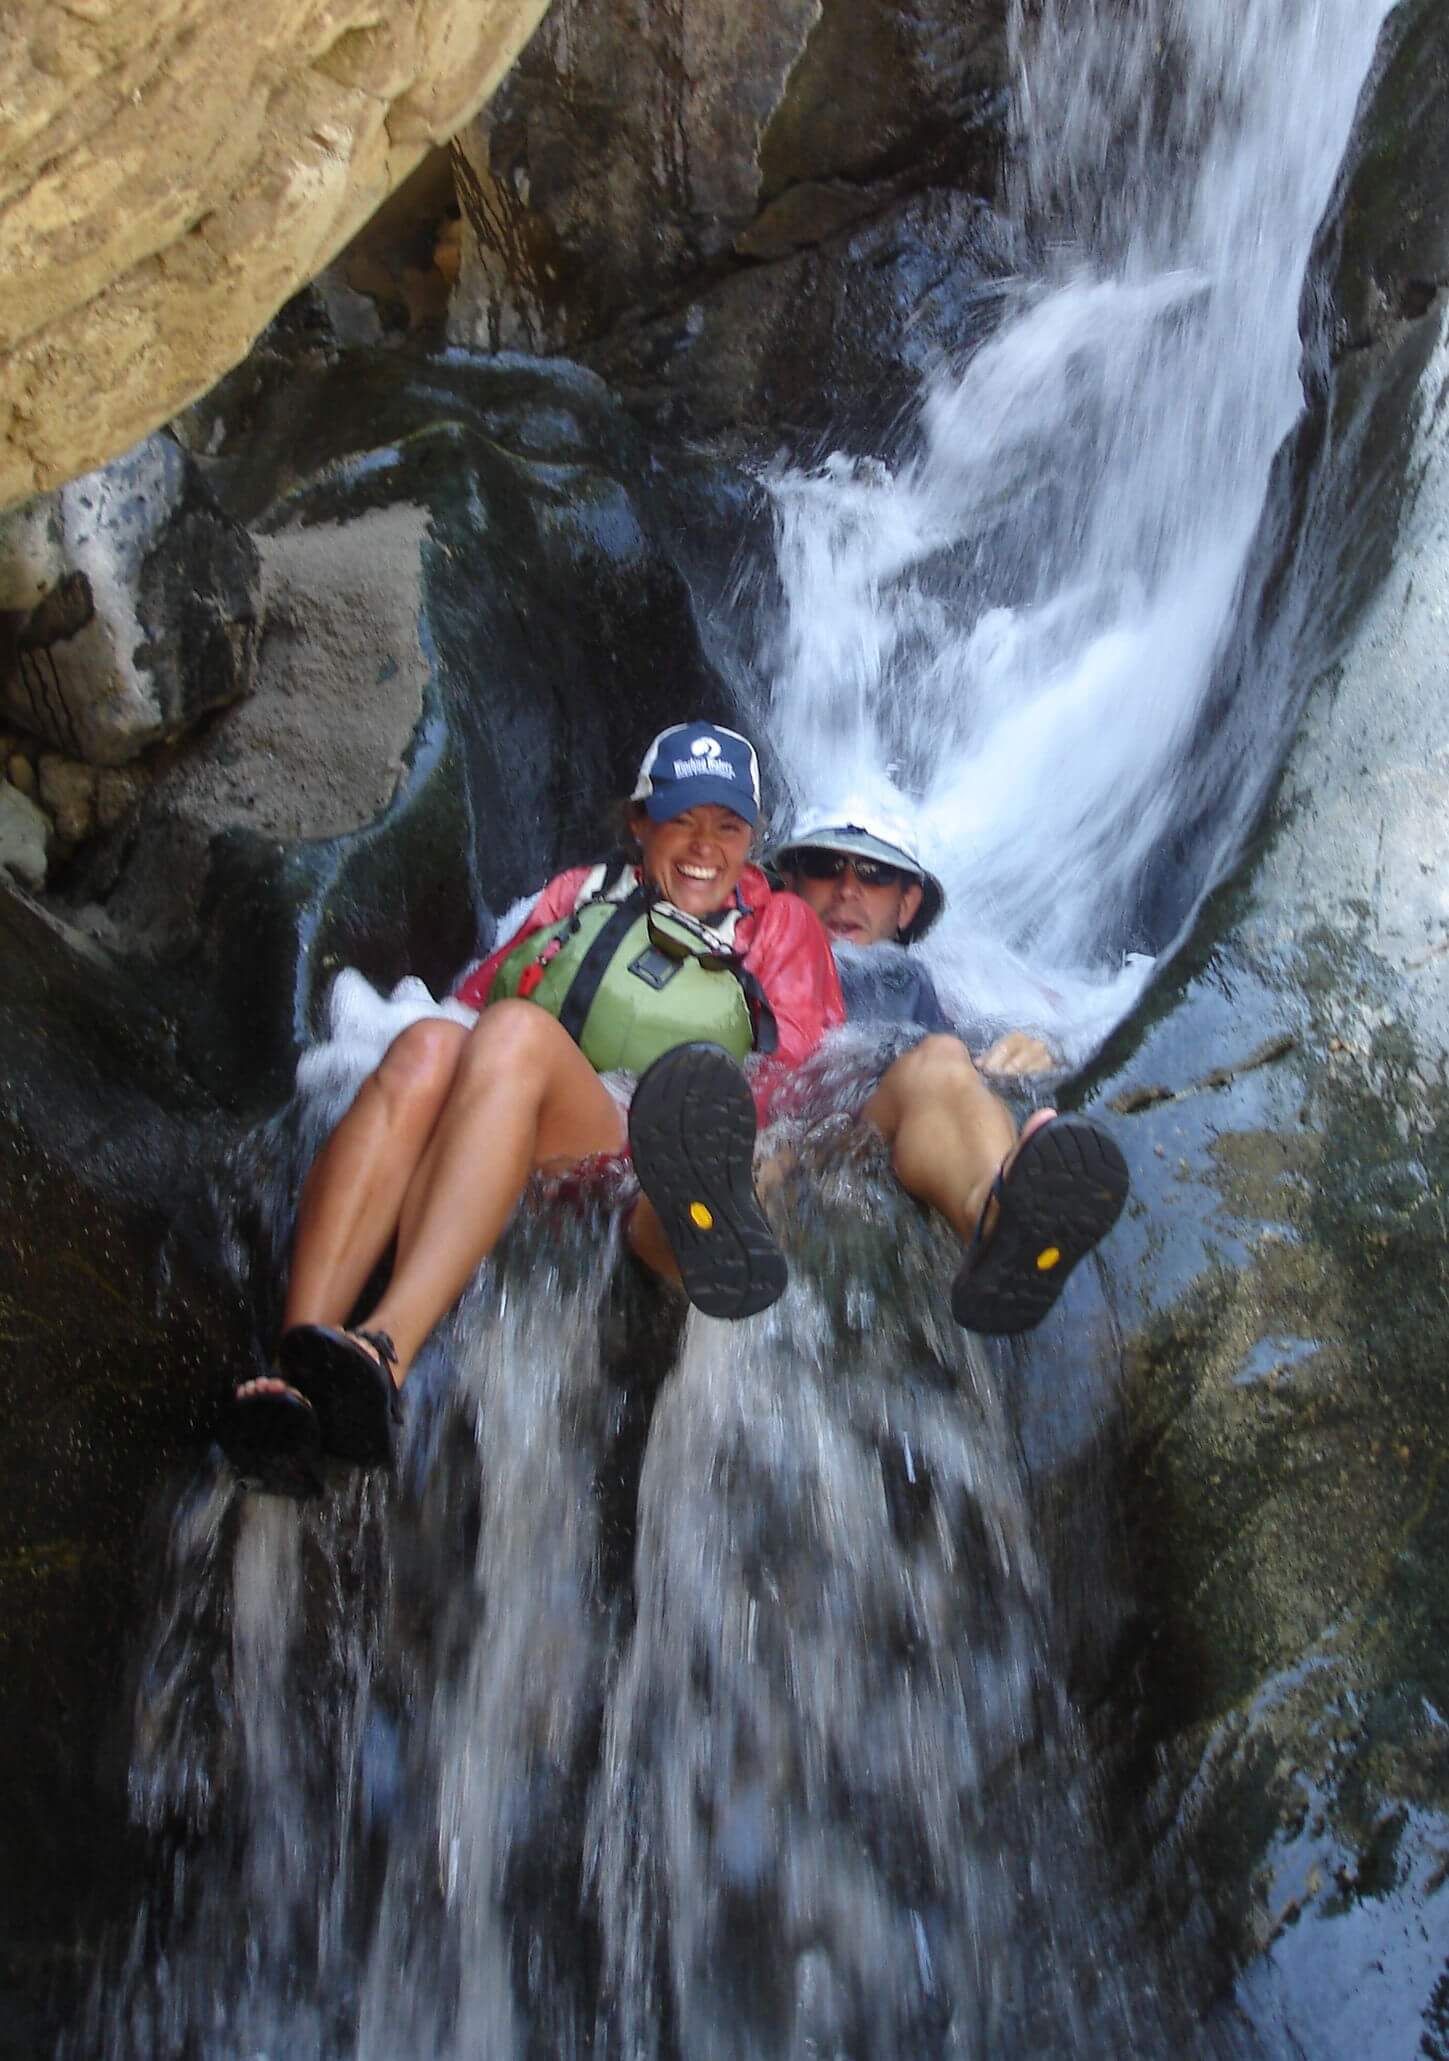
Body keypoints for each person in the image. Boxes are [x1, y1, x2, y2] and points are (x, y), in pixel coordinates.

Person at [223, 723, 843, 1484]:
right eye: (682, 817)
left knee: (516, 1032)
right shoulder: (574, 894)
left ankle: (384, 1347)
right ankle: (298, 1366)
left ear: (751, 839)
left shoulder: (782, 924)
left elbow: (807, 1073)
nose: (703, 845)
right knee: (422, 1046)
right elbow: (467, 1010)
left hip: (640, 1147)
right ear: (640, 820)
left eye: (727, 825)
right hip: (515, 1115)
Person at [770, 807, 1128, 1334]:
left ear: (907, 902)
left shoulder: (915, 986)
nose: (847, 890)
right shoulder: (749, 954)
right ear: (792, 883)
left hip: (864, 1133)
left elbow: (965, 1067)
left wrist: (1034, 1052)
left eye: (874, 874)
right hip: (780, 1141)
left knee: (943, 1059)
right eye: (826, 866)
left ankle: (998, 1223)